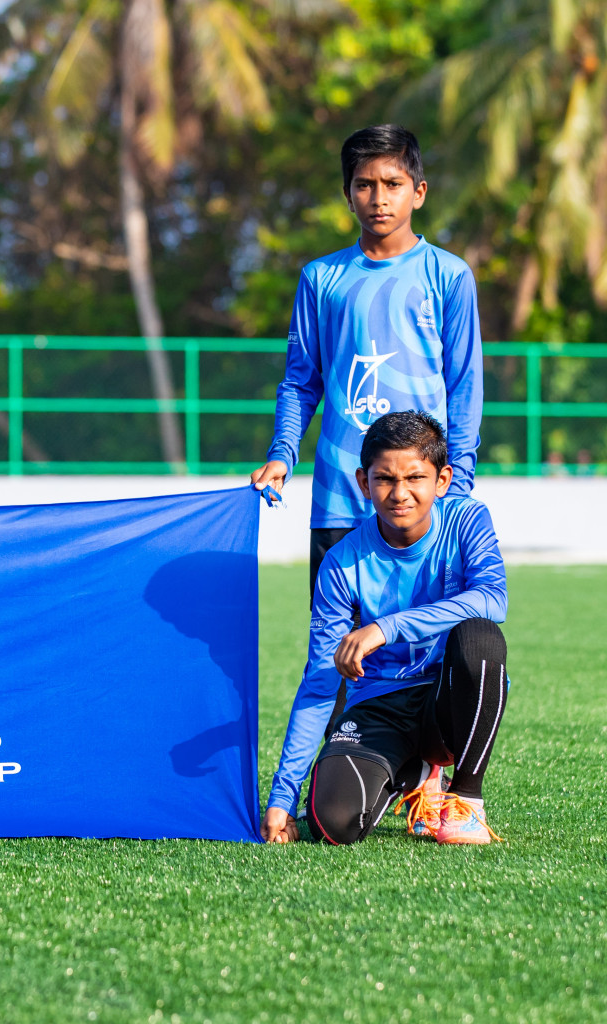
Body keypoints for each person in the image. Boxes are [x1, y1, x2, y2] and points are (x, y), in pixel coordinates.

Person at [249, 124, 483, 593]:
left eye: (392, 184)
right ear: (347, 195)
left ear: (418, 193)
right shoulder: (320, 278)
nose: (379, 198)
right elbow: (300, 381)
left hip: (422, 498)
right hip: (340, 491)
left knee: (430, 641)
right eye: (364, 185)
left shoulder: (450, 276)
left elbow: (464, 387)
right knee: (334, 642)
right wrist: (282, 454)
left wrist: (455, 487)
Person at [262, 412, 509, 846]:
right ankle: (415, 774)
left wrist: (385, 628)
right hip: (379, 706)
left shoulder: (467, 520)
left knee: (481, 638)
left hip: (444, 702)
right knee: (332, 824)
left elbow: (493, 598)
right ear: (363, 482)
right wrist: (283, 795)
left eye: (415, 477)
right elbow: (321, 681)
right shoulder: (341, 562)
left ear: (443, 479)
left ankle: (465, 799)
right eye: (384, 479)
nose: (400, 494)